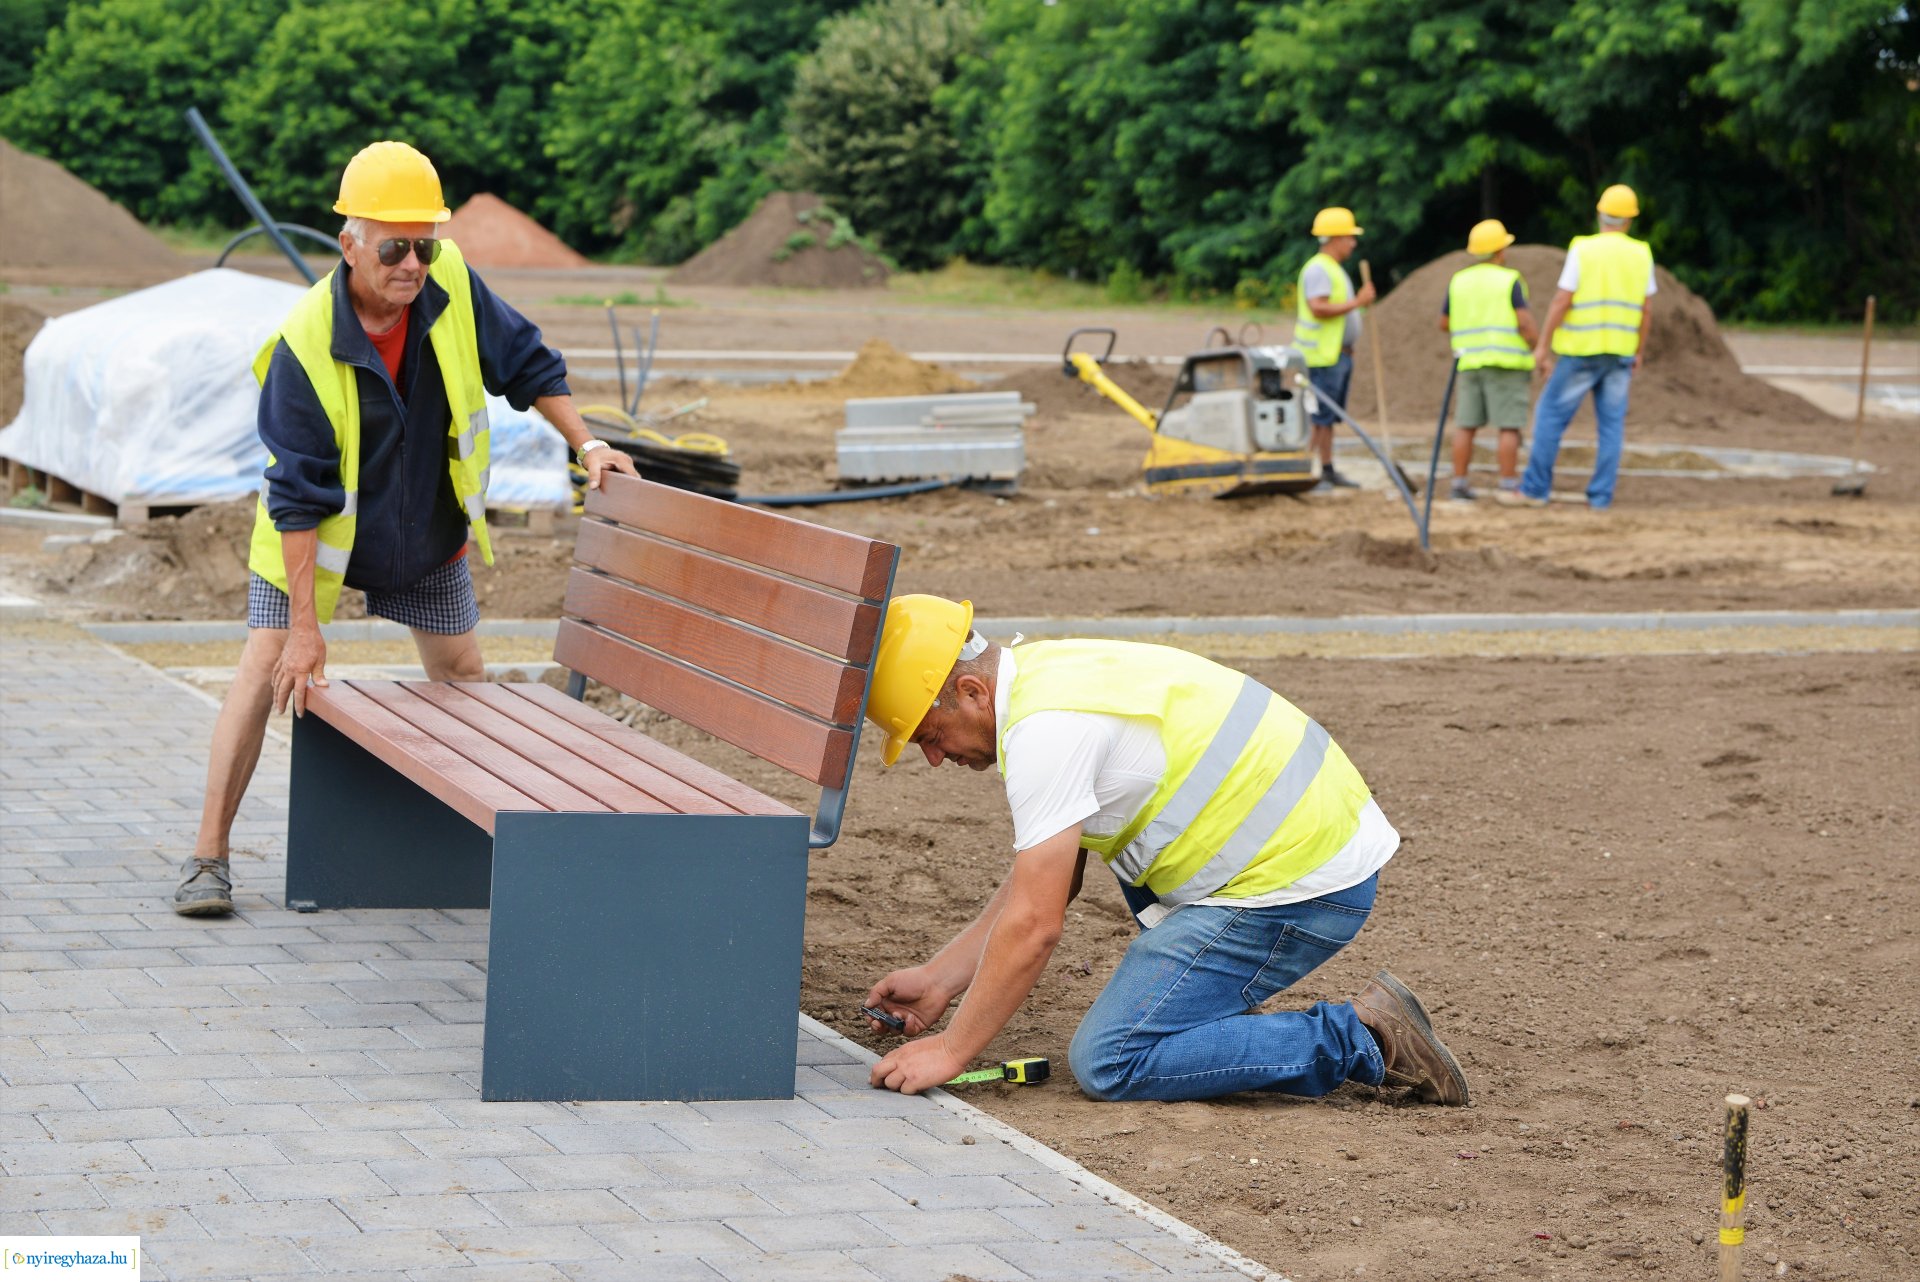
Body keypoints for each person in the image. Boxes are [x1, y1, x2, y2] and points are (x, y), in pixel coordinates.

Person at [172, 141, 636, 915]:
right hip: (315, 546)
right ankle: (208, 855)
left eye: (426, 243)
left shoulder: (448, 284)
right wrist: (306, 628)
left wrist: (588, 444)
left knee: (462, 674)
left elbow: (526, 362)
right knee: (265, 665)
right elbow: (298, 499)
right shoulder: (304, 346)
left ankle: (478, 853)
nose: (413, 263)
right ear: (350, 245)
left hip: (423, 529)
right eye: (395, 246)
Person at [858, 594, 1470, 1107]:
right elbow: (1044, 886)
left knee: (1110, 1060)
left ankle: (1364, 1038)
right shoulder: (1046, 676)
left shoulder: (1046, 734)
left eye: (931, 737)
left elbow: (1037, 924)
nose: (936, 758)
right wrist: (939, 980)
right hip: (1304, 851)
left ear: (971, 692)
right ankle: (1216, 1022)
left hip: (1302, 887)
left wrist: (951, 1051)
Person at [1501, 184, 1655, 511]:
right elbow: (1646, 308)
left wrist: (1543, 346)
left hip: (1581, 351)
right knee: (1611, 427)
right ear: (1629, 221)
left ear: (1600, 215)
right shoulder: (1642, 253)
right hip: (1620, 354)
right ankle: (1601, 497)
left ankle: (1535, 489)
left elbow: (1562, 299)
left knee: (1549, 416)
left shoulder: (1583, 249)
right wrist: (1639, 351)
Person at [1438, 219, 1539, 502]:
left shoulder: (1458, 281)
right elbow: (1525, 322)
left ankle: (1459, 483)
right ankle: (1508, 484)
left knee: (1466, 424)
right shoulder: (1509, 280)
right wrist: (1538, 347)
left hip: (1469, 362)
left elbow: (1444, 322)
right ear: (1500, 251)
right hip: (1505, 364)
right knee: (1508, 425)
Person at [1296, 208, 1375, 492]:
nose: (1353, 243)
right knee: (1318, 417)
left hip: (1336, 354)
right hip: (1322, 356)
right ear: (1335, 238)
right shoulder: (1319, 269)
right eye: (1349, 237)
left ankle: (1326, 469)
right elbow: (1319, 308)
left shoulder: (1333, 269)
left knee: (1327, 419)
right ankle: (1308, 471)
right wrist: (1358, 302)